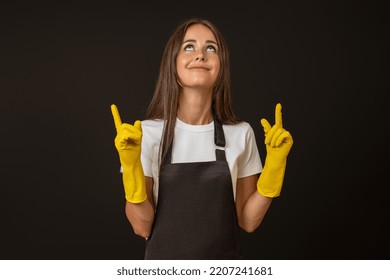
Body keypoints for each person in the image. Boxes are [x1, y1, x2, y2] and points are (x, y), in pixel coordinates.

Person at [110, 18, 293, 260]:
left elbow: (248, 221)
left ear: (221, 66)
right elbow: (141, 226)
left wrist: (275, 166)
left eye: (211, 48)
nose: (200, 55)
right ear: (172, 65)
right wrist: (132, 166)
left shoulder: (241, 133)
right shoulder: (143, 135)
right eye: (189, 47)